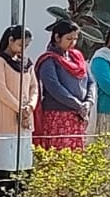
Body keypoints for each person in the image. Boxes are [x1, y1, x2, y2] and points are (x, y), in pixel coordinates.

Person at [0, 26, 39, 197]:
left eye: (27, 45)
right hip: (6, 117)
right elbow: (0, 89)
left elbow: (34, 87)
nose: (23, 48)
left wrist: (30, 106)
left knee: (24, 159)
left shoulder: (27, 62)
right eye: (20, 44)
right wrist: (19, 107)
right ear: (10, 40)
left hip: (25, 118)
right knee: (6, 160)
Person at [33, 21, 94, 151]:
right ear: (57, 37)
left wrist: (88, 102)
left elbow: (90, 82)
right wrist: (78, 105)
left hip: (78, 116)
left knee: (76, 156)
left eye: (75, 39)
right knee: (60, 154)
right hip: (58, 115)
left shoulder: (77, 57)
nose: (73, 42)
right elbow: (54, 88)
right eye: (69, 39)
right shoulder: (49, 60)